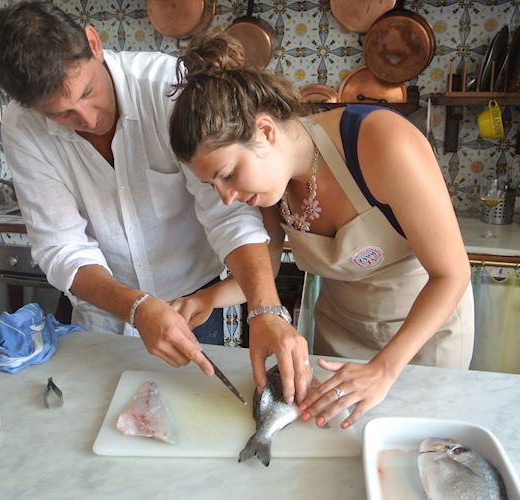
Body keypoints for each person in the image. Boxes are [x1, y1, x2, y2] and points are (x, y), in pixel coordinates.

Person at [0, 2, 306, 380]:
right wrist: (136, 307)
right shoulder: (23, 129)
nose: (88, 119)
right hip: (101, 317)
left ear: (93, 42)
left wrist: (264, 309)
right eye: (61, 114)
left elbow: (227, 213)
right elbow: (61, 247)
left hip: (193, 309)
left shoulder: (168, 88)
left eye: (88, 91)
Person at [168, 32, 475, 428]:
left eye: (227, 175)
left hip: (421, 338)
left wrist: (384, 369)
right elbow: (266, 273)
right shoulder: (267, 190)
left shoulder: (381, 142)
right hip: (339, 336)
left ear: (265, 131)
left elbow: (452, 274)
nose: (226, 196)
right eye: (214, 185)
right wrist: (206, 300)